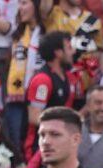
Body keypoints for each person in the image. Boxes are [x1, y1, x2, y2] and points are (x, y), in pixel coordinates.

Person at [24, 31, 75, 159]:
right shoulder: (42, 80)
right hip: (39, 149)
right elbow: (34, 117)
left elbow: (66, 112)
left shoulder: (68, 77)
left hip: (60, 146)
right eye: (69, 48)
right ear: (58, 53)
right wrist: (62, 127)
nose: (73, 52)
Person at [1, 0, 45, 146]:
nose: (20, 8)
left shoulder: (46, 33)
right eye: (19, 4)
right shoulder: (18, 34)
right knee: (15, 140)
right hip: (16, 96)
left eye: (24, 3)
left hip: (39, 94)